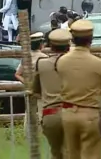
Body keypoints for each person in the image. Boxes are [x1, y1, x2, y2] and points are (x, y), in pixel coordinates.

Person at [56, 19, 101, 158]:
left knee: (71, 154)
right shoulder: (99, 64)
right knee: (91, 154)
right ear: (91, 39)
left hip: (68, 113)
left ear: (72, 39)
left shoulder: (62, 62)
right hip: (90, 114)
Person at [33, 29, 72, 159]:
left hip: (50, 114)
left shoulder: (41, 63)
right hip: (71, 112)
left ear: (51, 46)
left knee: (55, 152)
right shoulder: (75, 64)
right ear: (68, 45)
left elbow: (36, 90)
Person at [14, 32, 48, 134]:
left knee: (29, 112)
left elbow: (17, 74)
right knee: (42, 111)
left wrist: (27, 83)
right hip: (41, 88)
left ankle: (27, 133)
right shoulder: (44, 57)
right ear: (41, 44)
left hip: (29, 88)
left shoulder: (26, 57)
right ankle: (43, 132)